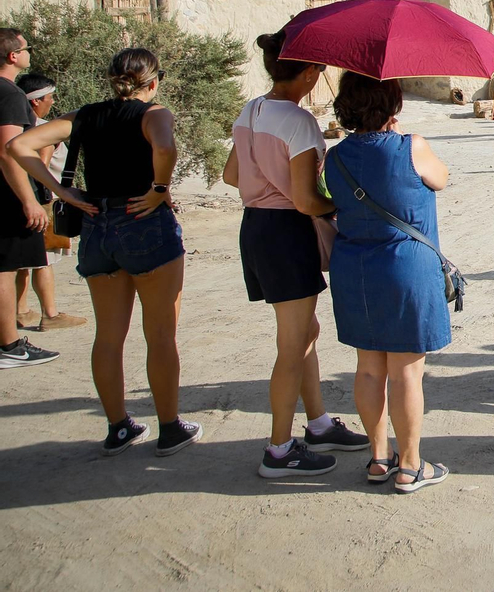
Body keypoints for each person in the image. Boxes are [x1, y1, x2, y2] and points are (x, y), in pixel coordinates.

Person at [11, 48, 203, 453]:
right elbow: (165, 149)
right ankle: (170, 428)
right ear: (153, 81)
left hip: (97, 224)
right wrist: (159, 189)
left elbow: (19, 146)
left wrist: (61, 191)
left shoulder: (85, 115)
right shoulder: (153, 114)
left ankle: (119, 428)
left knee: (109, 336)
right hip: (144, 221)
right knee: (160, 335)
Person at [222, 32, 367, 478]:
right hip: (286, 232)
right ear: (307, 73)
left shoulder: (252, 109)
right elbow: (306, 200)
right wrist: (343, 206)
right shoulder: (299, 121)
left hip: (257, 226)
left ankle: (318, 423)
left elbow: (232, 175)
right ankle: (279, 449)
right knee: (292, 345)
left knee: (305, 331)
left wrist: (270, 184)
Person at [323, 73, 452, 493]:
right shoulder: (411, 146)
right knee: (406, 374)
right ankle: (411, 466)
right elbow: (441, 177)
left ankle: (379, 457)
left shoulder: (335, 157)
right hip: (404, 267)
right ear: (391, 103)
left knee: (367, 368)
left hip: (354, 268)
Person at [0, 28, 59, 367]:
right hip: (8, 195)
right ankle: (10, 345)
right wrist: (28, 199)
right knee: (5, 269)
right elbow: (8, 150)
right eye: (27, 48)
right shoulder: (9, 94)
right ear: (13, 56)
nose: (29, 53)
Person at [14, 73, 87, 331]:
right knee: (44, 261)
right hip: (43, 201)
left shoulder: (15, 126)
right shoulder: (43, 130)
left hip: (18, 199)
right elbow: (40, 169)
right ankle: (50, 314)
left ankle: (21, 310)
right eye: (49, 97)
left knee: (21, 263)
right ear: (36, 101)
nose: (52, 102)